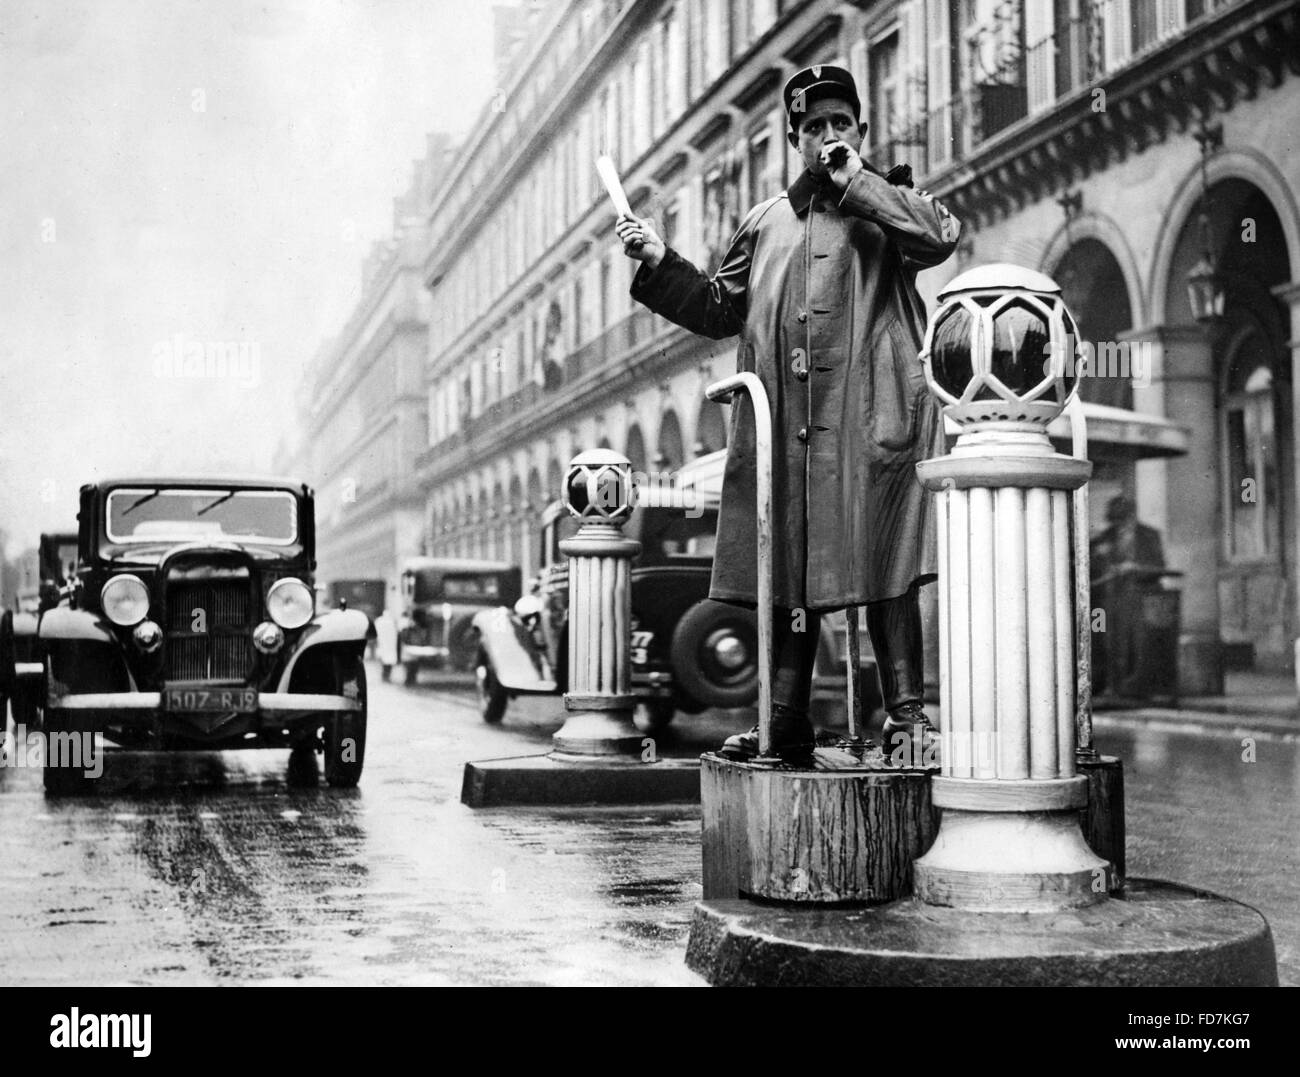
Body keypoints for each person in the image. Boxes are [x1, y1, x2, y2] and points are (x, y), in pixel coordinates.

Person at [617, 65, 961, 759]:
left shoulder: (889, 203)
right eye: (813, 129)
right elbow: (719, 307)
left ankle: (907, 719)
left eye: (840, 125)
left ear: (860, 132)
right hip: (789, 432)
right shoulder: (766, 222)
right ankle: (784, 718)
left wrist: (861, 183)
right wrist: (660, 259)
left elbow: (940, 236)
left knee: (887, 562)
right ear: (794, 140)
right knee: (789, 573)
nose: (827, 137)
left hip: (873, 421)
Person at [1090, 495, 1166, 697]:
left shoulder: (1149, 535)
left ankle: (1136, 688)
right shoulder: (1106, 537)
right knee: (1109, 643)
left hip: (1140, 599)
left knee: (1138, 645)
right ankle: (1112, 686)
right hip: (1109, 600)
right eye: (1116, 522)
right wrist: (1099, 554)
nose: (1119, 527)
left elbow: (1159, 567)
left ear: (1132, 516)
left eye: (1123, 521)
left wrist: (1136, 568)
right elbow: (1090, 563)